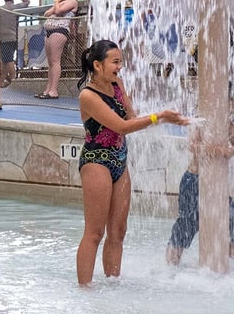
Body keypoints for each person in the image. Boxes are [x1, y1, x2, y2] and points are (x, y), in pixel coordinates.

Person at [75, 40, 187, 285]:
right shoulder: (88, 95)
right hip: (97, 162)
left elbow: (131, 117)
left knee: (118, 231)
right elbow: (122, 126)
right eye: (115, 62)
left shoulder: (117, 85)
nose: (120, 67)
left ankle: (112, 286)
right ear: (97, 65)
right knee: (95, 233)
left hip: (119, 161)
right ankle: (84, 290)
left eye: (121, 61)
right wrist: (160, 118)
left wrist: (150, 113)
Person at [166, 121, 234, 265]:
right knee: (186, 227)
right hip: (194, 181)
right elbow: (192, 146)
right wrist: (219, 151)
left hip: (217, 186)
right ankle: (169, 268)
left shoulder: (226, 122)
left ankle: (225, 267)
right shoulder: (200, 120)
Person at [38, 0, 80, 99]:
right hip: (49, 31)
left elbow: (57, 12)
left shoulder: (72, 1)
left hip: (59, 30)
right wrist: (57, 3)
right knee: (50, 62)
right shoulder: (61, 2)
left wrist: (56, 2)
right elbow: (47, 13)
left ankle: (53, 90)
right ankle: (48, 89)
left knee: (55, 61)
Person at [0, 0, 29, 88]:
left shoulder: (0, 9)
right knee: (5, 61)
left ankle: (14, 81)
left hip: (4, 38)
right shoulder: (15, 8)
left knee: (8, 60)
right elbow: (27, 1)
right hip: (14, 36)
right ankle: (0, 82)